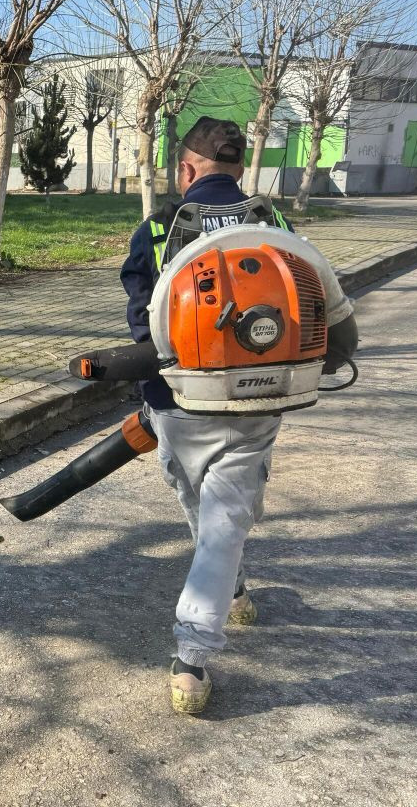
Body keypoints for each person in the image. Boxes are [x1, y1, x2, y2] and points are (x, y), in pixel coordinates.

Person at [119, 117, 298, 715]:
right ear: (238, 168)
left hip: (177, 402)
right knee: (222, 519)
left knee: (204, 508)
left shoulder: (158, 225)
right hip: (257, 397)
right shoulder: (271, 222)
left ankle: (190, 658)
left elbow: (139, 316)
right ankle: (234, 585)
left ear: (185, 168)